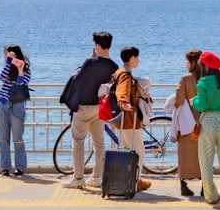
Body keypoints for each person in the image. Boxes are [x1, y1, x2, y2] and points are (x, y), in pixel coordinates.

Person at [61, 31, 119, 189]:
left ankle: (78, 178)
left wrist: (91, 59)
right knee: (99, 143)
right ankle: (96, 177)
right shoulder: (114, 66)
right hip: (100, 108)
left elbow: (78, 81)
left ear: (97, 45)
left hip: (84, 107)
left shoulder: (89, 63)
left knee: (78, 142)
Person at [191, 50, 220, 205]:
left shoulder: (203, 83)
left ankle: (211, 195)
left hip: (208, 121)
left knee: (206, 160)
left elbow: (202, 105)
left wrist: (194, 101)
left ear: (204, 67)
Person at [114, 46, 153, 192]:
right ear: (132, 58)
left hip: (123, 120)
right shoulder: (125, 74)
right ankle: (135, 182)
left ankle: (128, 180)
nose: (138, 60)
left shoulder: (120, 71)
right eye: (137, 57)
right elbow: (122, 91)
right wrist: (124, 103)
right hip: (129, 119)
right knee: (138, 151)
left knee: (125, 150)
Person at [0, 44, 31, 177]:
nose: (6, 56)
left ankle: (20, 167)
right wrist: (8, 63)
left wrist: (20, 69)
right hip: (3, 103)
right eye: (6, 55)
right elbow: (1, 77)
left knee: (18, 138)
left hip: (18, 104)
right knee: (3, 139)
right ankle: (5, 167)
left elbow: (21, 84)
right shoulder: (6, 67)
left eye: (8, 54)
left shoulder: (26, 68)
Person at [174, 49, 203, 197]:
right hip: (204, 121)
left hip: (187, 122)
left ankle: (184, 185)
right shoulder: (206, 78)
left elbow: (178, 100)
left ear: (191, 62)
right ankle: (205, 185)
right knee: (204, 153)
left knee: (185, 153)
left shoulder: (185, 79)